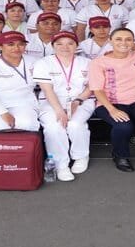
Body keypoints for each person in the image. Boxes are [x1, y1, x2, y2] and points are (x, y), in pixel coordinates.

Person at [88, 28, 135, 173]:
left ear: (133, 42)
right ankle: (120, 156)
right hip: (109, 102)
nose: (124, 42)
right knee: (124, 126)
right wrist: (112, 109)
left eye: (128, 39)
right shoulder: (98, 62)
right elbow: (97, 89)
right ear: (110, 41)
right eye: (118, 39)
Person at [33, 31, 96, 180]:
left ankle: (81, 156)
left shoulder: (87, 63)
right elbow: (47, 89)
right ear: (53, 46)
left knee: (75, 124)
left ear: (77, 45)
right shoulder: (43, 63)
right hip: (51, 101)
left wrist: (78, 101)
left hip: (81, 100)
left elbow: (91, 86)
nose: (65, 47)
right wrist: (59, 110)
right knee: (54, 127)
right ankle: (61, 165)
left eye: (70, 43)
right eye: (59, 44)